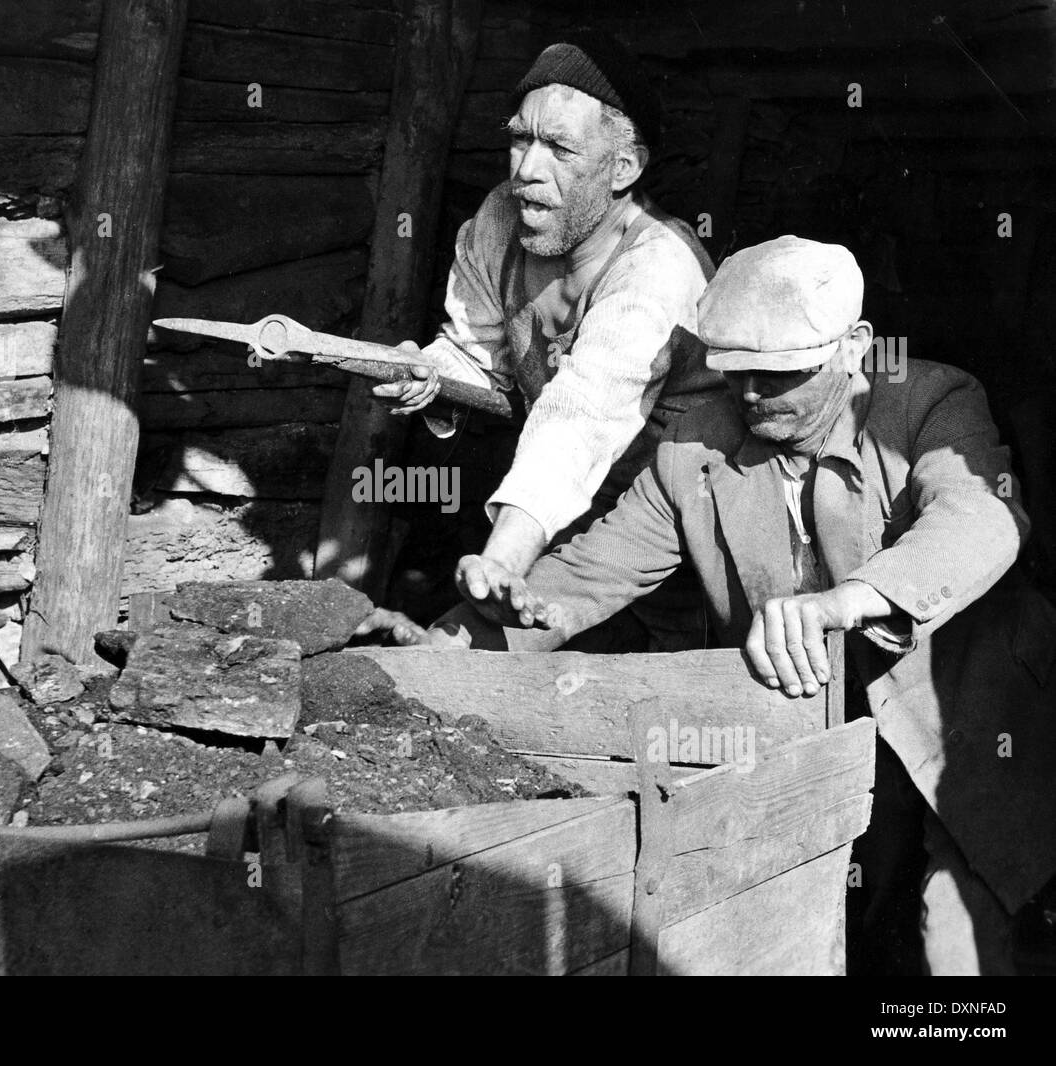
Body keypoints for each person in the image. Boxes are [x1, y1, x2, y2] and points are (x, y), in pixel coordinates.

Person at [453, 235, 1056, 974]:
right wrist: (470, 624)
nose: (750, 396)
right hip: (815, 737)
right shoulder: (695, 448)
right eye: (734, 374)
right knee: (823, 929)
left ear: (853, 347)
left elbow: (980, 519)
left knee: (954, 938)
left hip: (963, 718)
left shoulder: (930, 401)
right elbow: (593, 572)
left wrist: (846, 602)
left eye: (780, 377)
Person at [364, 33, 721, 651]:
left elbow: (578, 415)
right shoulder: (502, 221)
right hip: (563, 517)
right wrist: (428, 372)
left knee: (678, 678)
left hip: (683, 529)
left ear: (624, 168)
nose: (526, 169)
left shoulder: (658, 268)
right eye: (520, 138)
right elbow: (478, 351)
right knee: (490, 655)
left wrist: (502, 557)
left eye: (558, 147)